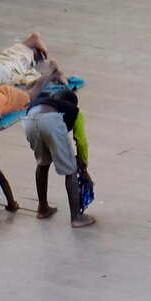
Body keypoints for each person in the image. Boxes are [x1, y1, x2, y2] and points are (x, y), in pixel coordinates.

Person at [23, 80, 94, 227]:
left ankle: (42, 208)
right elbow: (81, 141)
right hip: (50, 121)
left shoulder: (45, 102)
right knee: (71, 169)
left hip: (28, 119)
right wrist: (83, 166)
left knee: (42, 162)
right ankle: (76, 218)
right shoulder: (75, 111)